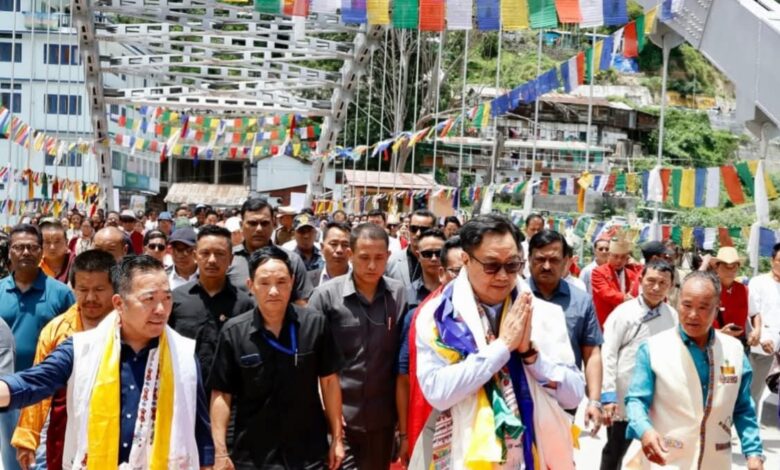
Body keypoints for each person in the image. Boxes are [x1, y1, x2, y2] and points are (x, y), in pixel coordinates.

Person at [0, 255, 215, 468]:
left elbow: (199, 426)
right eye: (149, 299)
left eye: (167, 298)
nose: (161, 309)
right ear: (119, 303)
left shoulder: (183, 354)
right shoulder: (82, 348)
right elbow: (33, 382)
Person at [410, 214, 585, 469]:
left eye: (512, 265)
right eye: (492, 266)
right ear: (466, 260)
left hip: (533, 454)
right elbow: (438, 393)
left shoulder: (543, 314)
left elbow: (574, 395)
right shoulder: (437, 316)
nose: (503, 276)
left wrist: (531, 357)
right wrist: (502, 348)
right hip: (464, 454)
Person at [209, 246, 344, 469]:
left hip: (308, 452)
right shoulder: (234, 332)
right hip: (253, 455)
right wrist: (220, 452)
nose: (273, 291)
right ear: (250, 286)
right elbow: (222, 394)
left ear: (292, 282)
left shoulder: (315, 324)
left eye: (281, 282)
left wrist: (337, 439)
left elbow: (329, 382)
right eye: (264, 283)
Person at [625, 271, 764, 469]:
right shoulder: (653, 348)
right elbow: (636, 400)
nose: (692, 314)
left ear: (717, 308)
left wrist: (753, 453)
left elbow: (743, 408)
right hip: (666, 460)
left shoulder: (733, 350)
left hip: (715, 461)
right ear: (677, 303)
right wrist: (645, 430)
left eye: (703, 307)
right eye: (687, 305)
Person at [308, 224, 406, 469]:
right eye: (364, 258)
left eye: (379, 258)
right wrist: (325, 407)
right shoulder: (325, 296)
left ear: (388, 256)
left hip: (383, 420)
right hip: (338, 419)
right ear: (350, 255)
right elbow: (310, 359)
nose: (372, 265)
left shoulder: (398, 294)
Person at [12, 250, 118, 470]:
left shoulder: (129, 326)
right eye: (83, 290)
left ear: (115, 289)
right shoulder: (56, 330)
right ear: (73, 288)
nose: (90, 298)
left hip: (115, 429)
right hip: (65, 432)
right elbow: (38, 385)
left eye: (99, 290)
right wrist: (27, 437)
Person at [0, 224, 76, 470]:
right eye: (19, 247)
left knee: (41, 462)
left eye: (32, 247)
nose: (26, 252)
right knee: (11, 460)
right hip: (7, 392)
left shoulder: (61, 294)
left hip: (46, 394)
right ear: (9, 252)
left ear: (41, 251)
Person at [599, 260, 677, 470]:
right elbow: (608, 354)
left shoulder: (673, 316)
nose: (656, 287)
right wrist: (608, 395)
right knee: (615, 450)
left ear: (670, 285)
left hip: (658, 396)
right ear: (640, 280)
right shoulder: (623, 313)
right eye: (651, 281)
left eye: (663, 283)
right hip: (624, 396)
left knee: (657, 451)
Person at [526, 230, 604, 431]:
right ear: (529, 259)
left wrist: (594, 401)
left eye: (554, 260)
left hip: (564, 396)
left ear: (566, 262)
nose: (546, 266)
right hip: (521, 395)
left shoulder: (582, 301)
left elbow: (591, 353)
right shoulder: (515, 295)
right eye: (540, 259)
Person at [398, 236, 463, 463]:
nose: (464, 279)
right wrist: (404, 435)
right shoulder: (421, 317)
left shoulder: (495, 315)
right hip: (431, 422)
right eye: (457, 271)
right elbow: (404, 378)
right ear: (442, 273)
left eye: (469, 271)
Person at [170, 225, 254, 380]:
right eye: (205, 253)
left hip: (230, 388)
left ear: (231, 259)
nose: (212, 260)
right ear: (195, 256)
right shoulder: (176, 299)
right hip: (185, 386)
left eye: (220, 254)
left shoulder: (244, 304)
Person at [227, 198, 313, 305]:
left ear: (273, 224)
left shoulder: (292, 260)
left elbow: (302, 303)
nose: (259, 229)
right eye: (252, 223)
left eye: (264, 223)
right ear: (241, 225)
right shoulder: (227, 259)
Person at [747, 242, 780, 413]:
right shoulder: (758, 282)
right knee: (752, 392)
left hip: (776, 346)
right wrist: (763, 338)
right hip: (762, 345)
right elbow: (752, 313)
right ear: (772, 260)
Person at [591, 234, 641, 327]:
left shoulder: (631, 274)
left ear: (627, 258)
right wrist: (624, 298)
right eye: (615, 256)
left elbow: (642, 280)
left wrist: (636, 265)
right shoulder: (598, 272)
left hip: (626, 321)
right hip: (605, 321)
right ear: (609, 255)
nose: (619, 260)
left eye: (623, 257)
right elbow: (605, 292)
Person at [710, 247, 753, 343]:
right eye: (725, 266)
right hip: (714, 342)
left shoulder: (744, 290)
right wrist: (720, 332)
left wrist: (757, 330)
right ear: (716, 267)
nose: (729, 270)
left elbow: (755, 313)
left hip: (739, 343)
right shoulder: (708, 289)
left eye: (733, 266)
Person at [386, 209, 436, 288]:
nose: (418, 233)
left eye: (424, 230)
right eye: (414, 228)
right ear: (408, 228)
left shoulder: (440, 263)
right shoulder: (392, 261)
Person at [408, 229, 446, 308]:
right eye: (427, 254)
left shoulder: (456, 290)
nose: (434, 258)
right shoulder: (408, 293)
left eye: (439, 253)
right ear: (418, 256)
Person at [309, 222, 352, 288]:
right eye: (334, 244)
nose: (339, 250)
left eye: (345, 245)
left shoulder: (362, 280)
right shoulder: (307, 280)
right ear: (322, 247)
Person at [39, 218, 73, 284]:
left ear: (66, 243)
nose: (52, 247)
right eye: (47, 242)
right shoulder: (35, 266)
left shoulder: (75, 264)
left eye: (57, 242)